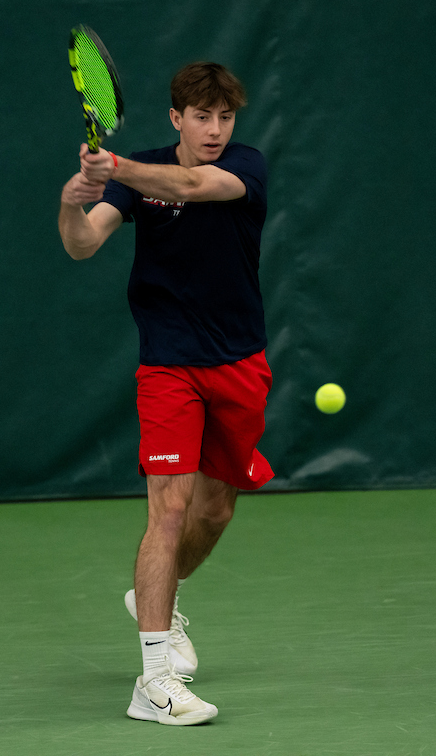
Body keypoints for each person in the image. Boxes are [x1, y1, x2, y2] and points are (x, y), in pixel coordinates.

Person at [58, 62, 273, 726]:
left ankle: (157, 596)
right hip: (168, 367)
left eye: (224, 117)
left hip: (239, 363)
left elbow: (190, 185)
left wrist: (113, 165)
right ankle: (153, 681)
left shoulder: (245, 166)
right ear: (176, 118)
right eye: (201, 117)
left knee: (215, 514)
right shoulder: (139, 174)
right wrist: (73, 199)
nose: (215, 130)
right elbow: (83, 244)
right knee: (169, 512)